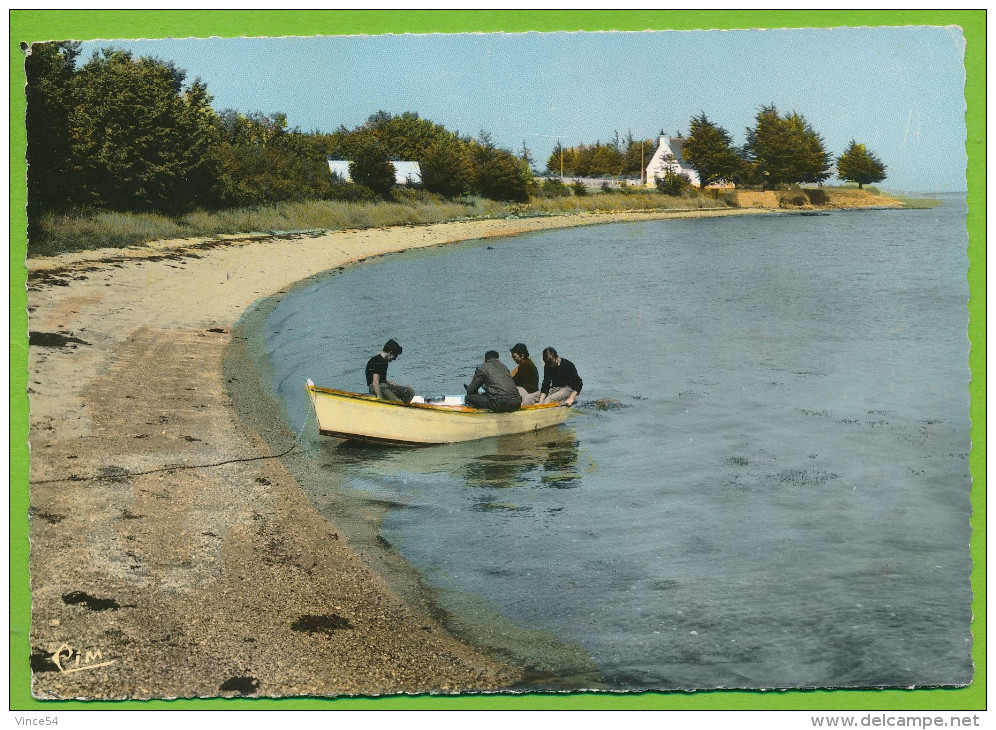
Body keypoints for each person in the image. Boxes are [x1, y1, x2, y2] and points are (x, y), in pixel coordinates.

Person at [365, 339, 415, 403]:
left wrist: (394, 385)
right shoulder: (377, 361)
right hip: (378, 388)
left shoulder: (384, 362)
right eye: (395, 356)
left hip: (385, 386)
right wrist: (380, 397)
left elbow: (382, 380)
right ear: (390, 353)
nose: (395, 359)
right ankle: (398, 405)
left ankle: (401, 405)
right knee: (397, 401)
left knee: (409, 392)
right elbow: (375, 382)